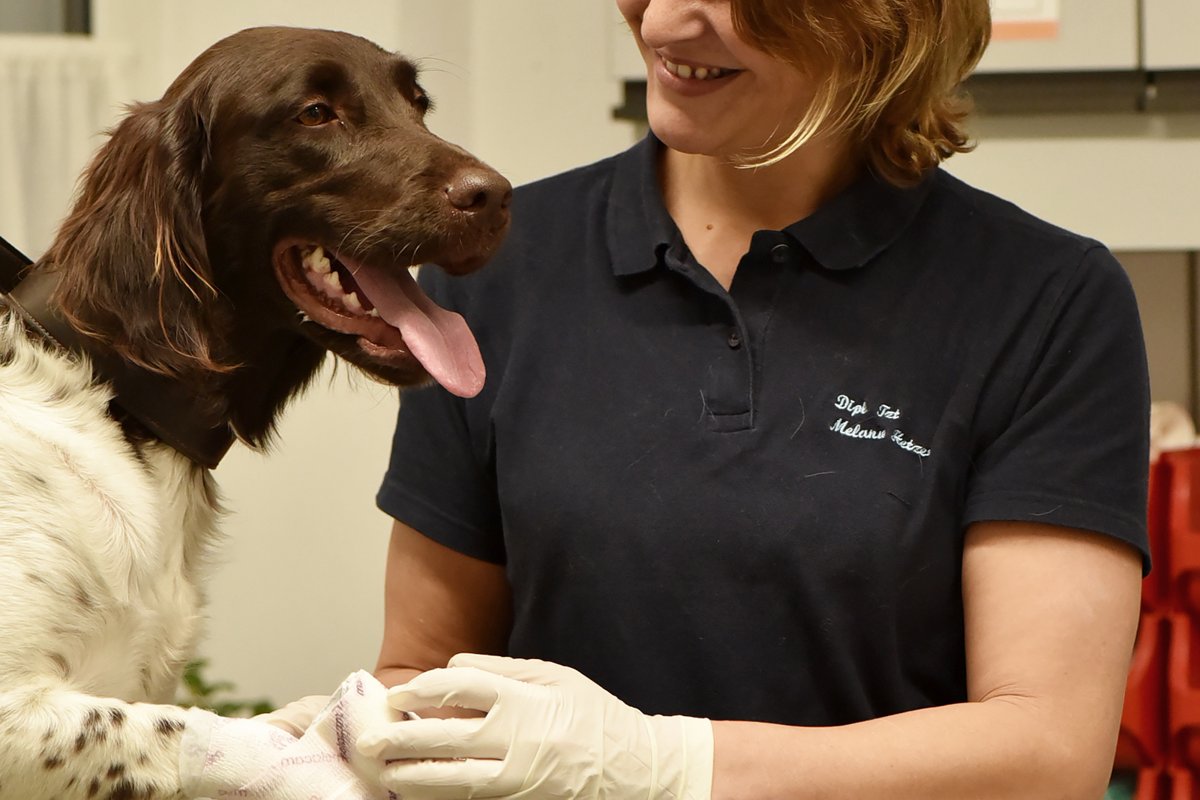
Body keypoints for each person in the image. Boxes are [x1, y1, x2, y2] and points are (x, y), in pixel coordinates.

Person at [357, 0, 1151, 797]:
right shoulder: (504, 268)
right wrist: (343, 748)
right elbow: (423, 676)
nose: (662, 23)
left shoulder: (1044, 301)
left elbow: (1046, 752)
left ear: (884, 19)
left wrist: (665, 766)